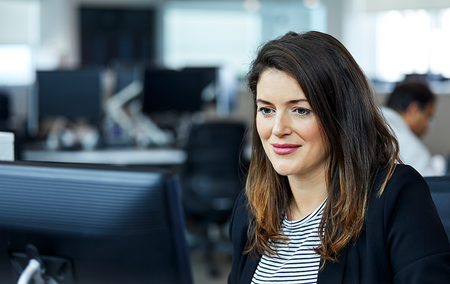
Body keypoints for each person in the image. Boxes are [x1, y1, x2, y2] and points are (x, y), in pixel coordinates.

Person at [228, 31, 450, 284]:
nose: (278, 128)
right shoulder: (252, 206)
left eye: (300, 110)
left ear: (341, 116)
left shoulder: (394, 197)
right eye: (266, 110)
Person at [382, 81, 446, 176]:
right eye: (428, 116)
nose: (427, 126)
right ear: (413, 109)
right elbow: (434, 184)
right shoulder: (409, 146)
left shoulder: (367, 123)